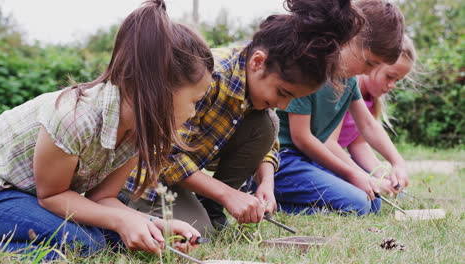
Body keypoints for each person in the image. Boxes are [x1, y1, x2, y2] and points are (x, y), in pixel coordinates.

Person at [122, 0, 367, 234]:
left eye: (291, 98)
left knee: (267, 123)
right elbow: (163, 157)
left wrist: (266, 184)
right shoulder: (209, 77)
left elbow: (269, 144)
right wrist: (228, 194)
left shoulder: (258, 90)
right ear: (258, 62)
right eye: (282, 92)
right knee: (197, 232)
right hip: (144, 176)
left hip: (182, 178)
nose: (282, 104)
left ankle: (210, 207)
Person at [0, 0, 213, 259]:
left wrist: (155, 226)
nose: (194, 112)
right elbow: (51, 196)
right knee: (87, 243)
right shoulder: (75, 117)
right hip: (5, 191)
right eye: (194, 101)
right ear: (161, 89)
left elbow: (102, 199)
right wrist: (121, 221)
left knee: (119, 237)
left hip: (33, 198)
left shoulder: (138, 129)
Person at [273, 0, 407, 215]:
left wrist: (396, 162)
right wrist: (354, 174)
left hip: (308, 163)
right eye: (370, 63)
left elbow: (368, 125)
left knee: (374, 201)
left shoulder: (350, 79)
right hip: (283, 162)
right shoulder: (311, 71)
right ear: (352, 39)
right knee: (359, 205)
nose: (366, 72)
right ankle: (269, 203)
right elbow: (302, 138)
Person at [336, 35, 416, 195]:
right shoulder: (346, 88)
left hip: (339, 161)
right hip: (324, 159)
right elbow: (328, 144)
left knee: (384, 192)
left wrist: (381, 175)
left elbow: (357, 144)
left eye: (397, 80)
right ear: (373, 63)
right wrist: (362, 176)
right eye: (389, 76)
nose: (392, 85)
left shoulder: (370, 101)